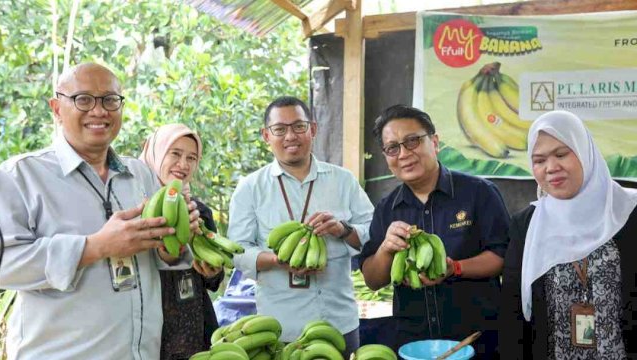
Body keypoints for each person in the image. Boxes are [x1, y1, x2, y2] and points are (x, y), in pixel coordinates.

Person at [0, 63, 199, 359]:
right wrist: (94, 247)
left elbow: (157, 256)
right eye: (83, 99)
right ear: (56, 108)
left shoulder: (140, 174)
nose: (99, 111)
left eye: (109, 100)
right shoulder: (20, 176)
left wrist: (172, 246)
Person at [228, 96, 374, 358]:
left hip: (339, 323)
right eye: (279, 129)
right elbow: (238, 252)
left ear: (313, 129)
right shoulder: (251, 188)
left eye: (298, 126)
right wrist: (277, 260)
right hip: (283, 328)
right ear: (266, 135)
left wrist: (343, 229)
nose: (290, 136)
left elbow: (372, 233)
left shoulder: (343, 181)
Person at [359, 105, 509, 358]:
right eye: (393, 147)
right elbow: (373, 280)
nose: (404, 153)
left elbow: (502, 256)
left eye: (412, 141)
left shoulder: (479, 193)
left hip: (478, 340)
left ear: (435, 142)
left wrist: (455, 268)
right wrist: (385, 249)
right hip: (414, 343)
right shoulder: (387, 208)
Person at [499, 110, 637, 359]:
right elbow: (513, 313)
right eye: (539, 160)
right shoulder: (527, 225)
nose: (551, 168)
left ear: (585, 152)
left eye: (561, 154)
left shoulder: (628, 211)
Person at [139, 123, 224, 360]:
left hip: (196, 330)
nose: (183, 164)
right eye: (175, 154)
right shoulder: (136, 212)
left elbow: (215, 281)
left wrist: (211, 271)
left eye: (192, 157)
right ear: (155, 152)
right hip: (149, 332)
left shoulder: (200, 212)